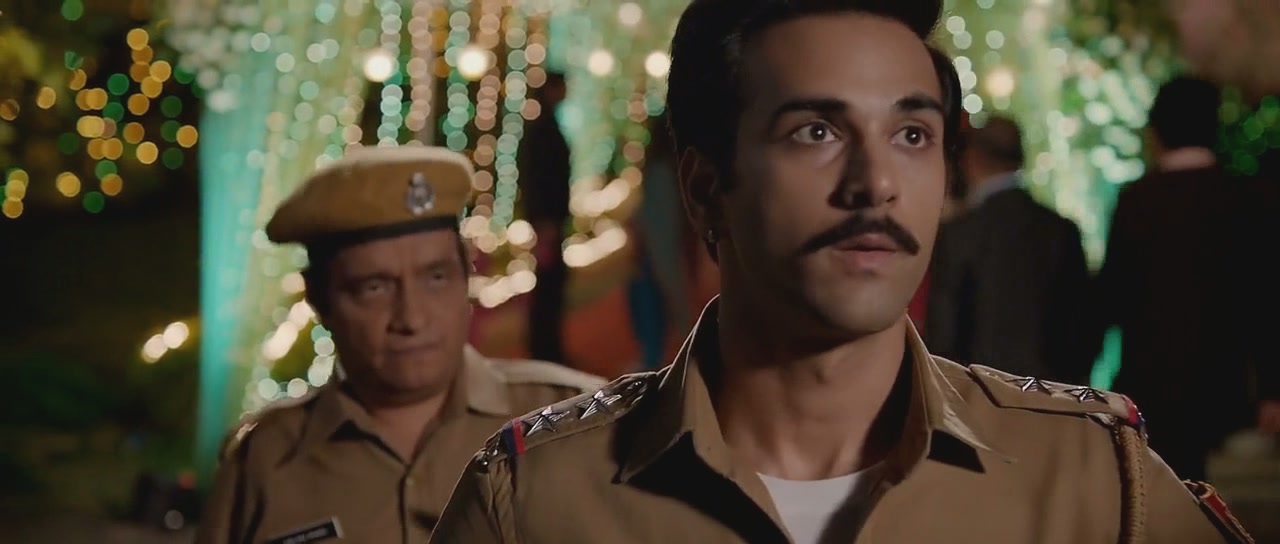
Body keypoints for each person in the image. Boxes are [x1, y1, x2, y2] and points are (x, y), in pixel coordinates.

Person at [431, 2, 1253, 543]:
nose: (876, 183)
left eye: (911, 135)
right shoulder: (536, 502)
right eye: (816, 132)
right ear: (706, 186)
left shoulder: (1091, 485)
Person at [195, 147, 605, 544]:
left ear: (465, 276)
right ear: (318, 299)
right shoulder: (265, 459)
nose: (412, 318)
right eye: (374, 288)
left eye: (436, 278)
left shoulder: (573, 422)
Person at [1092, 77, 1261, 482]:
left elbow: (1111, 295)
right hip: (1224, 374)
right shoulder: (1245, 197)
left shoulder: (1138, 200)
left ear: (1157, 129)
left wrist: (1081, 368)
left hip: (1150, 374)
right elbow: (1263, 294)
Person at [926, 116, 1093, 384]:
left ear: (972, 159)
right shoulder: (1061, 230)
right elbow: (1083, 327)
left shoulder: (960, 234)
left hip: (979, 392)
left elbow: (943, 332)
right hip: (1052, 393)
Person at [519, 71, 573, 364]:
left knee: (551, 285)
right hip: (548, 222)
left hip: (550, 220)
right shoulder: (542, 130)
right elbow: (538, 179)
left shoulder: (546, 126)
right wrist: (544, 220)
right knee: (548, 286)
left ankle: (546, 345)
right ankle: (544, 348)